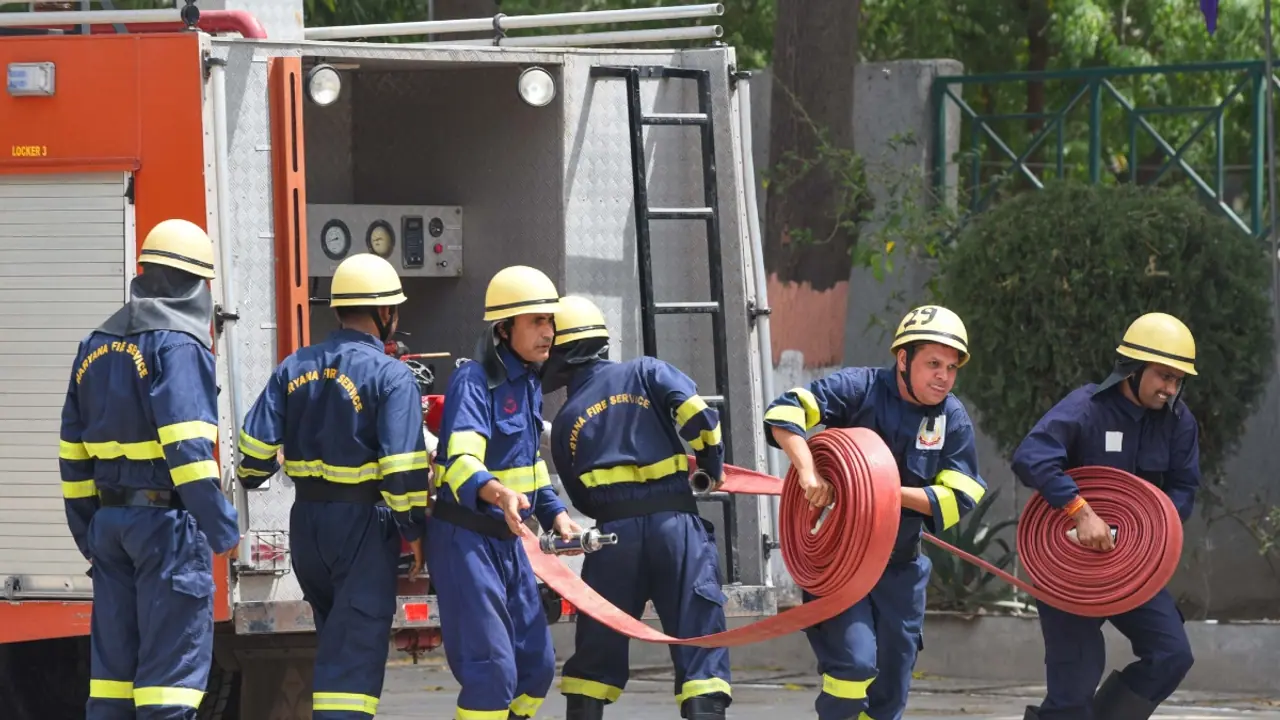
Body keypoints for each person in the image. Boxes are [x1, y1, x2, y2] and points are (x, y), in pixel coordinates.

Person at [763, 304, 987, 720]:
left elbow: (959, 497)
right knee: (854, 665)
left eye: (951, 367)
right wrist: (809, 472)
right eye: (933, 364)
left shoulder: (951, 418)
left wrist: (878, 490)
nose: (943, 376)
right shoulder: (858, 389)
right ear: (903, 359)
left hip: (901, 571)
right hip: (842, 566)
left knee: (891, 689)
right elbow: (784, 412)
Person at [58, 218, 241, 719]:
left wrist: (90, 532)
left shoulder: (94, 345)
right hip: (166, 531)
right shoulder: (179, 347)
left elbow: (72, 455)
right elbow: (188, 454)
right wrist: (223, 529)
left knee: (112, 685)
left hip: (110, 527)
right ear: (195, 286)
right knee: (169, 687)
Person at [235, 253, 430, 718]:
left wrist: (266, 468)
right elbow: (402, 472)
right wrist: (414, 532)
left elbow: (253, 456)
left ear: (338, 308)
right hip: (362, 530)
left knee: (336, 644)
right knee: (353, 661)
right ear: (386, 312)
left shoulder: (293, 366)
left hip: (307, 526)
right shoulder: (392, 375)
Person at [541, 296, 732, 720]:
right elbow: (699, 416)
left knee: (598, 644)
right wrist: (711, 463)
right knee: (698, 643)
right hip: (675, 529)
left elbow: (582, 499)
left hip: (613, 539)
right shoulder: (647, 371)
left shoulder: (567, 419)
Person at [1010, 312, 1200, 720]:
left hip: (1133, 568)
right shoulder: (1087, 408)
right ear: (1133, 368)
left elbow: (1184, 487)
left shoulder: (1179, 423)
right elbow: (1031, 456)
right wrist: (1080, 511)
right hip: (1068, 570)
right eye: (1164, 376)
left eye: (1178, 380)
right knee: (1072, 693)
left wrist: (1154, 529)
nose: (1170, 388)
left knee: (1171, 654)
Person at [427, 265, 584, 720]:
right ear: (503, 328)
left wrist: (556, 514)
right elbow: (461, 464)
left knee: (536, 670)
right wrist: (500, 495)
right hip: (467, 543)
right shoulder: (474, 381)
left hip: (507, 542)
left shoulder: (528, 382)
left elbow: (528, 464)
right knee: (492, 673)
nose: (548, 332)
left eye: (550, 321)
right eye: (536, 321)